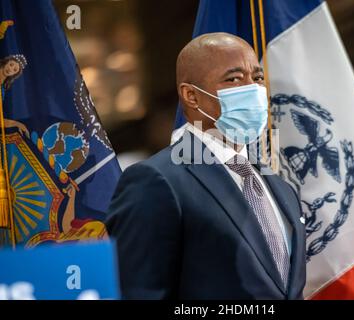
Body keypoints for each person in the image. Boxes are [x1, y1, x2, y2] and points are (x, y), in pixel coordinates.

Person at [106, 32, 306, 300]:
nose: (253, 88)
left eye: (257, 78)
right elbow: (138, 293)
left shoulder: (280, 187)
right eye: (234, 79)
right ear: (191, 96)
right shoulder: (156, 180)